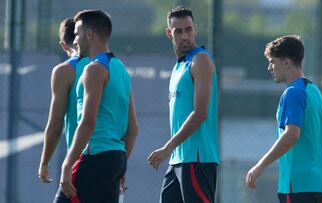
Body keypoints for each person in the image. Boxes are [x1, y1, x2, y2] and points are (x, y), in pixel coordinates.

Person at [55, 10, 138, 203]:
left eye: (77, 34)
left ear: (89, 34)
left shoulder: (93, 70)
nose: (74, 41)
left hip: (94, 157)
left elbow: (88, 122)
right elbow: (133, 128)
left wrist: (67, 164)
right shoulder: (121, 69)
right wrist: (121, 163)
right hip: (116, 159)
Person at [245, 35, 322, 203]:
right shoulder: (314, 92)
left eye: (272, 61)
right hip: (315, 186)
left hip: (297, 186)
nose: (269, 67)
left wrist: (261, 165)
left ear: (286, 62)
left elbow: (292, 133)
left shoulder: (293, 92)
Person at [147, 6, 219, 203]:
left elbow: (200, 113)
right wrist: (172, 151)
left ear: (195, 28)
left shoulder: (200, 60)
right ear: (169, 33)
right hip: (178, 159)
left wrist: (168, 147)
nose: (185, 35)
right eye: (178, 31)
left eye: (188, 29)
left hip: (197, 159)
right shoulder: (180, 65)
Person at [38, 17, 90, 183]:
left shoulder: (65, 70)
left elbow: (55, 124)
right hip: (112, 158)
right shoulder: (111, 65)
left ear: (63, 45)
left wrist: (44, 162)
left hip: (82, 158)